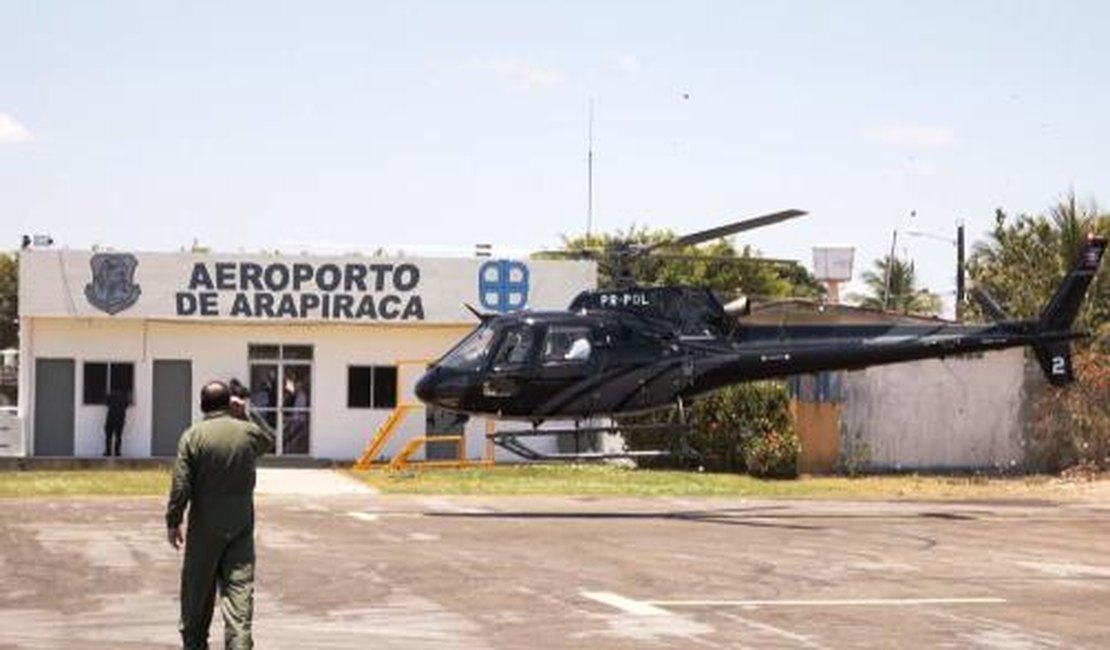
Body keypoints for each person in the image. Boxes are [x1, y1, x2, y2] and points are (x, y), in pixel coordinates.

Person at [166, 380, 275, 650]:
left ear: (202, 405)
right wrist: (245, 413)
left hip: (204, 529)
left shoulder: (192, 436)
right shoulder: (247, 433)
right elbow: (269, 441)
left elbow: (181, 484)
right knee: (239, 598)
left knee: (196, 599)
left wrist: (174, 520)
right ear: (230, 403)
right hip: (240, 528)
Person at [103, 388, 130, 456]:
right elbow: (127, 405)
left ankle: (108, 452)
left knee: (108, 436)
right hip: (120, 419)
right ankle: (117, 452)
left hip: (111, 418)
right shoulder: (124, 397)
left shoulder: (111, 395)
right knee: (118, 436)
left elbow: (106, 403)